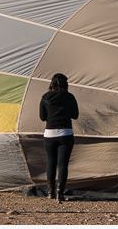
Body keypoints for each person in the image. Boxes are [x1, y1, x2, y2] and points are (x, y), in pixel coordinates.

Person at [40, 73, 79, 203]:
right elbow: (75, 115)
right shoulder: (70, 97)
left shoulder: (45, 97)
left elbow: (42, 117)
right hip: (65, 134)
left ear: (52, 83)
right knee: (63, 165)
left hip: (49, 134)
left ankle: (50, 192)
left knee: (51, 163)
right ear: (65, 84)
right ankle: (60, 194)